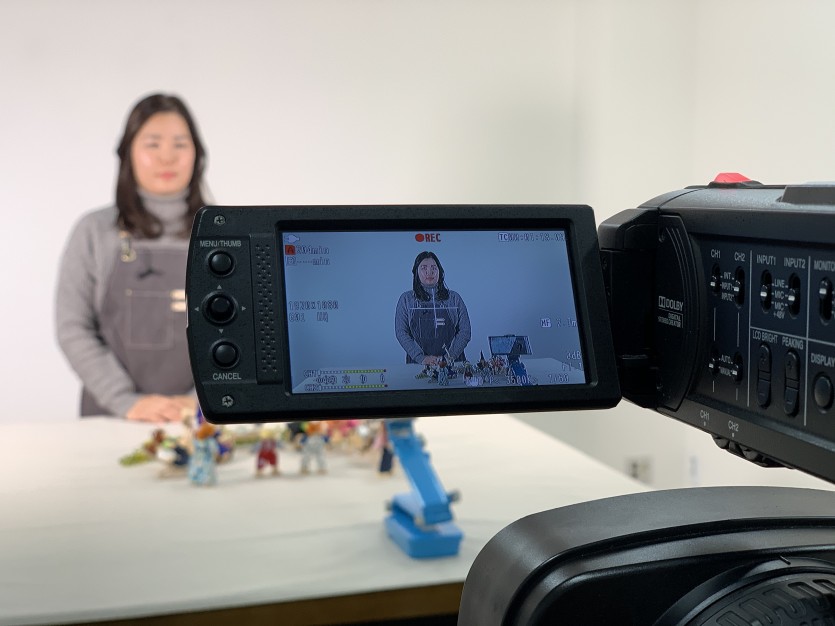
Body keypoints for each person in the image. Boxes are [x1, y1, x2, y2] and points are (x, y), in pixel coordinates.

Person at [56, 93, 208, 421]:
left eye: (180, 144)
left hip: (200, 423)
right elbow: (73, 327)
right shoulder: (95, 231)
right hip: (112, 419)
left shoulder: (222, 233)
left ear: (197, 154)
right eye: (153, 144)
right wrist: (126, 401)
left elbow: (245, 330)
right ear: (128, 153)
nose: (167, 157)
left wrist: (200, 402)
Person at [394, 251, 471, 365]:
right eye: (424, 268)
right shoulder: (406, 300)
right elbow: (401, 332)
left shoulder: (454, 298)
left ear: (440, 271)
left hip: (453, 363)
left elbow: (465, 331)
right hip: (418, 364)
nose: (429, 272)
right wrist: (421, 358)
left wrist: (449, 357)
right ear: (416, 272)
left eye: (434, 268)